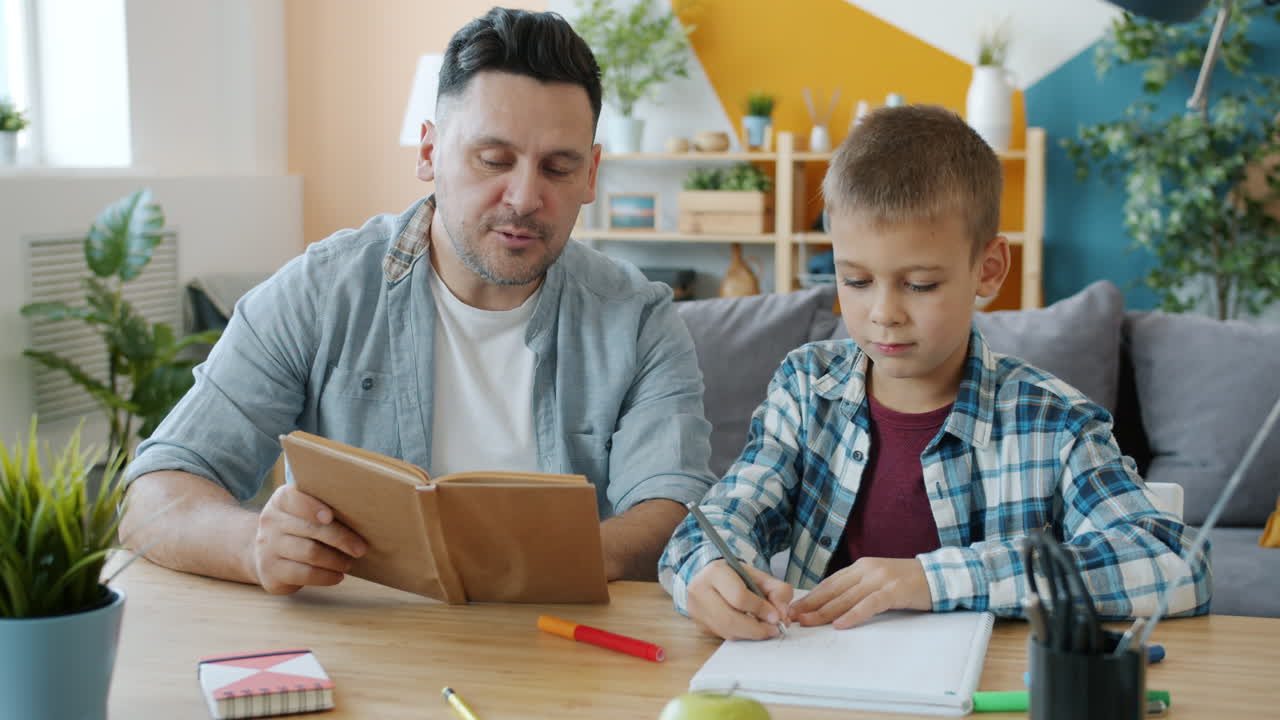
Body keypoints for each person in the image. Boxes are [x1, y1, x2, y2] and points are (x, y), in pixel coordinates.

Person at [120, 7, 716, 594]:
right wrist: (254, 547)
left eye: (559, 168)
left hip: (567, 649)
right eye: (494, 160)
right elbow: (155, 495)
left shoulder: (639, 319)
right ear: (430, 152)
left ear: (591, 176)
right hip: (365, 648)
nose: (526, 196)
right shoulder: (320, 292)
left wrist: (518, 561)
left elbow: (675, 511)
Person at [658, 105, 1211, 640]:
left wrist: (932, 578)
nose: (884, 313)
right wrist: (708, 572)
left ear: (987, 270)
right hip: (823, 684)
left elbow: (1174, 565)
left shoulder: (1055, 421)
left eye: (919, 284)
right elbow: (720, 518)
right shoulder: (806, 391)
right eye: (854, 280)